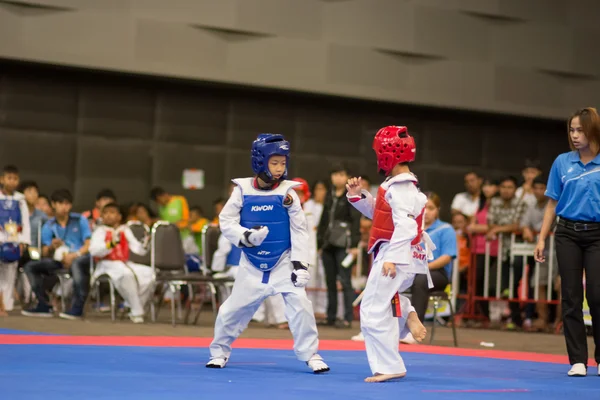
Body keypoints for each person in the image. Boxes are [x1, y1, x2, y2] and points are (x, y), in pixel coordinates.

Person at [206, 133, 329, 373]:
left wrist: (300, 264)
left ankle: (311, 354)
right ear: (260, 161)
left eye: (283, 162)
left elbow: (299, 230)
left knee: (301, 306)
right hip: (251, 265)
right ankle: (219, 352)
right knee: (231, 311)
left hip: (282, 263)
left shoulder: (288, 193)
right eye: (274, 162)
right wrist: (245, 237)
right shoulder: (241, 190)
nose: (279, 168)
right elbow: (226, 221)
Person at [346, 125, 429, 383]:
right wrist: (357, 197)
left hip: (397, 254)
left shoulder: (401, 186)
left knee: (371, 308)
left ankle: (390, 365)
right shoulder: (396, 184)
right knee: (383, 302)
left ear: (387, 153)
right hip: (400, 253)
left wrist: (393, 257)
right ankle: (406, 309)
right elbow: (383, 217)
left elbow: (405, 225)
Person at [534, 107, 600, 377]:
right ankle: (578, 360)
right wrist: (541, 239)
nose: (574, 135)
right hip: (567, 234)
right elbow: (552, 203)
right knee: (571, 296)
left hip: (598, 235)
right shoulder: (562, 162)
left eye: (580, 130)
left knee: (597, 295)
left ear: (593, 131)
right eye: (572, 130)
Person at [21, 189, 91, 319]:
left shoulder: (80, 219)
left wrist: (74, 255)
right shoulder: (49, 225)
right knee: (30, 266)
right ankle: (44, 304)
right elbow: (44, 252)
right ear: (53, 204)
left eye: (67, 204)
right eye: (60, 203)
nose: (64, 207)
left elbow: (88, 245)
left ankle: (77, 308)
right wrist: (52, 247)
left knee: (77, 264)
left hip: (80, 257)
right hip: (59, 259)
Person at [89, 203, 154, 324]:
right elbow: (94, 251)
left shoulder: (125, 230)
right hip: (106, 264)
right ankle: (136, 311)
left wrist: (145, 243)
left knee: (149, 274)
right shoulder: (100, 231)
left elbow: (138, 250)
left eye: (112, 212)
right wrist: (111, 244)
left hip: (124, 262)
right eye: (106, 213)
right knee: (126, 274)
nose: (108, 215)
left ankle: (132, 305)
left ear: (119, 216)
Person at [317, 164, 362, 329]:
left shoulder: (351, 195)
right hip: (328, 243)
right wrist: (319, 243)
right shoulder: (329, 194)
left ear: (347, 177)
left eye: (342, 175)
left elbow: (356, 220)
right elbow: (323, 219)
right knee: (329, 281)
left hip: (344, 244)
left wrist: (355, 245)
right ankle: (331, 316)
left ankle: (348, 318)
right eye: (335, 174)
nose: (338, 178)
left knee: (345, 281)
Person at [410, 192, 456, 322]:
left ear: (437, 210)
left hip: (436, 273)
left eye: (430, 208)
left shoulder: (446, 229)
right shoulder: (411, 228)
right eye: (423, 208)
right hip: (412, 270)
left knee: (421, 280)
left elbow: (447, 257)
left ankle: (415, 328)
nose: (426, 212)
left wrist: (424, 267)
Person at [0, 165, 31, 316]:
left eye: (15, 178)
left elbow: (25, 221)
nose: (12, 181)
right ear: (2, 179)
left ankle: (7, 304)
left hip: (14, 239)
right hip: (0, 237)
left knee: (10, 273)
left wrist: (24, 241)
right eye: (9, 178)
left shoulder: (20, 200)